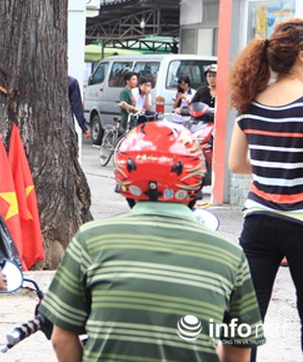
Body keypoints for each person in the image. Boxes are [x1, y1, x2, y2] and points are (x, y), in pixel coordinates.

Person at [41, 120, 264, 361]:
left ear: (124, 179)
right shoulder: (230, 255)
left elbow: (61, 338)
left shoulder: (90, 240)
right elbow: (239, 351)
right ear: (196, 181)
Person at [228, 19, 303, 361]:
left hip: (258, 220)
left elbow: (236, 164)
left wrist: (274, 165)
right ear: (300, 56)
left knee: (244, 319)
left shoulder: (250, 102)